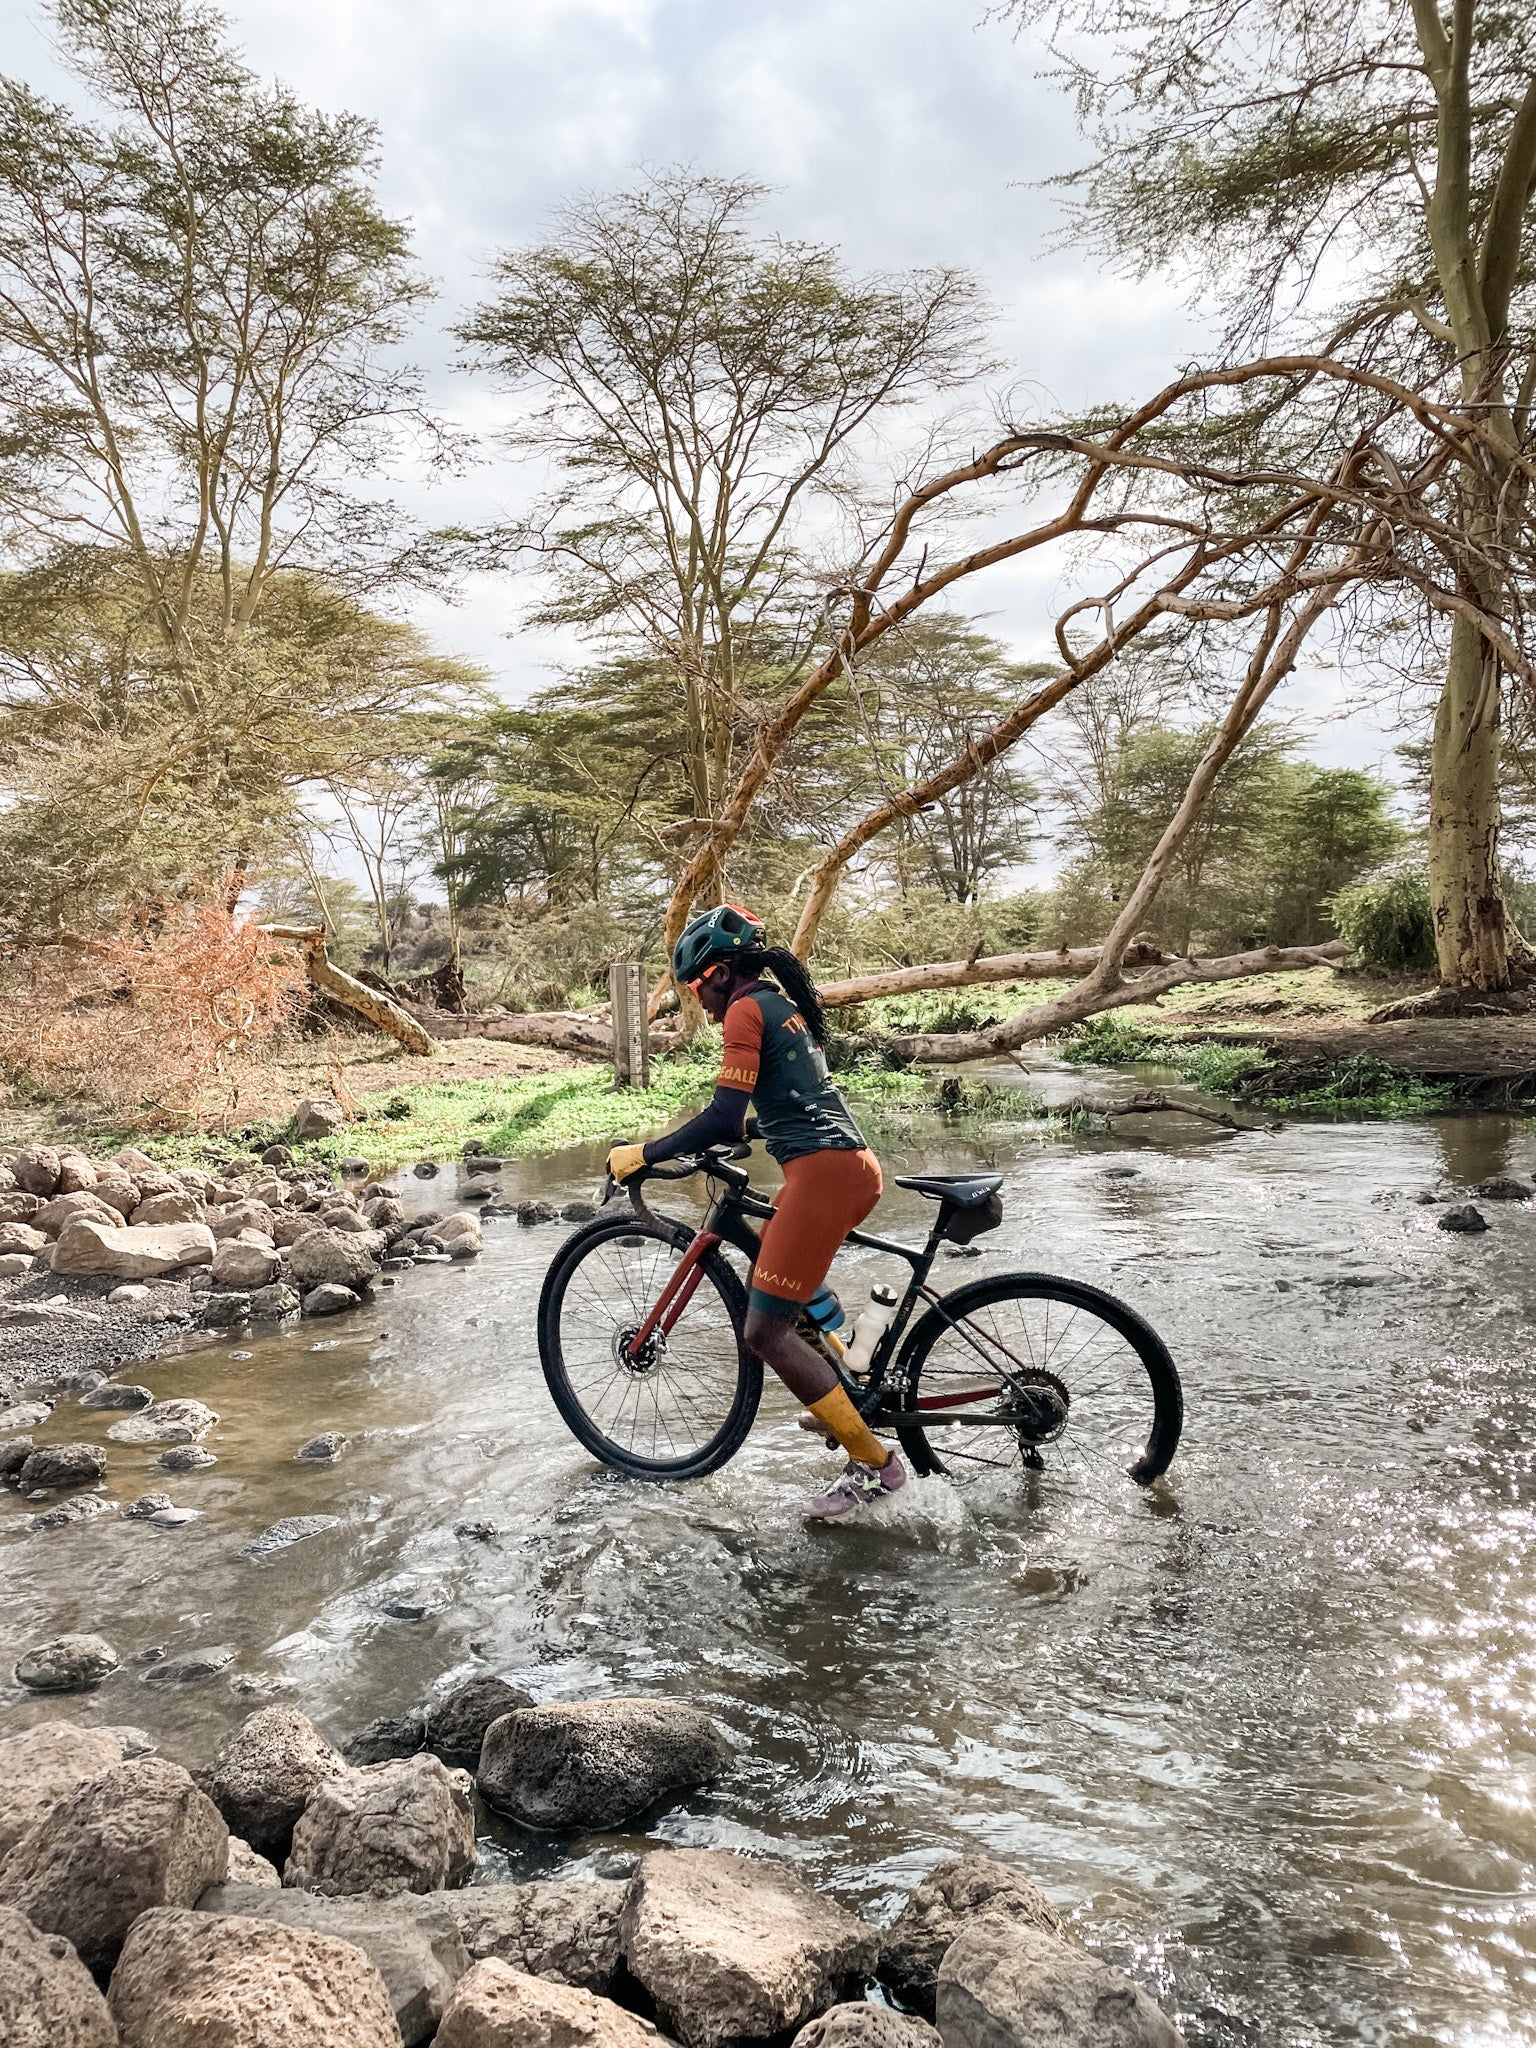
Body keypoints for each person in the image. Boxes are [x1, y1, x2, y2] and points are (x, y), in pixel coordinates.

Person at [606, 904, 907, 1521]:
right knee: (771, 1267)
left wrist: (644, 1153)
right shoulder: (780, 1006)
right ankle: (847, 1372)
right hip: (848, 1167)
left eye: (696, 989)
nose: (701, 1003)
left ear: (719, 973)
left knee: (763, 1331)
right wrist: (749, 1127)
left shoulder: (745, 1010)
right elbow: (788, 1100)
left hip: (824, 1177)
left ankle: (877, 1469)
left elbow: (718, 1115)